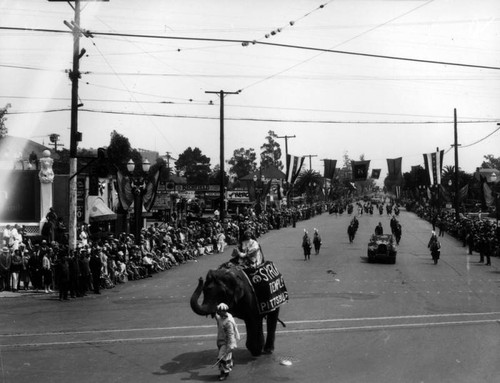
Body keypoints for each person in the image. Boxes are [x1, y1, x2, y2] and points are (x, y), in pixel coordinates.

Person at [214, 303, 240, 381]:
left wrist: (231, 345)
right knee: (226, 357)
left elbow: (231, 334)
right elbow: (217, 317)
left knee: (222, 358)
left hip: (226, 343)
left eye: (219, 311)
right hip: (221, 341)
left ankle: (223, 373)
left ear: (223, 311)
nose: (217, 312)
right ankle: (226, 371)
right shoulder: (221, 317)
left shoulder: (228, 322)